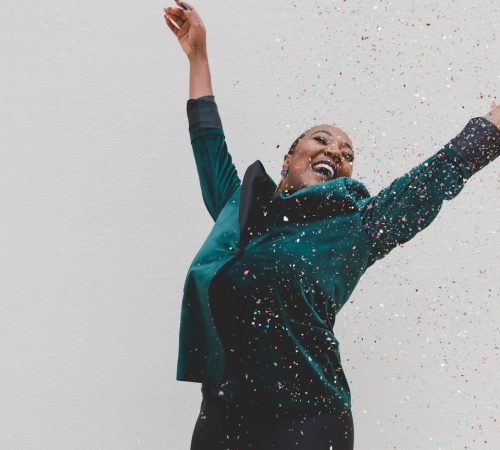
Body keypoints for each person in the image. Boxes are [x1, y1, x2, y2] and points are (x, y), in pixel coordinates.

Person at [164, 1, 500, 449]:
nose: (335, 153)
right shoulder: (236, 206)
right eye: (321, 140)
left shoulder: (354, 228)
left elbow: (425, 186)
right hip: (223, 414)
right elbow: (207, 138)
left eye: (346, 154)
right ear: (289, 157)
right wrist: (197, 57)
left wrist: (493, 128)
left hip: (306, 423)